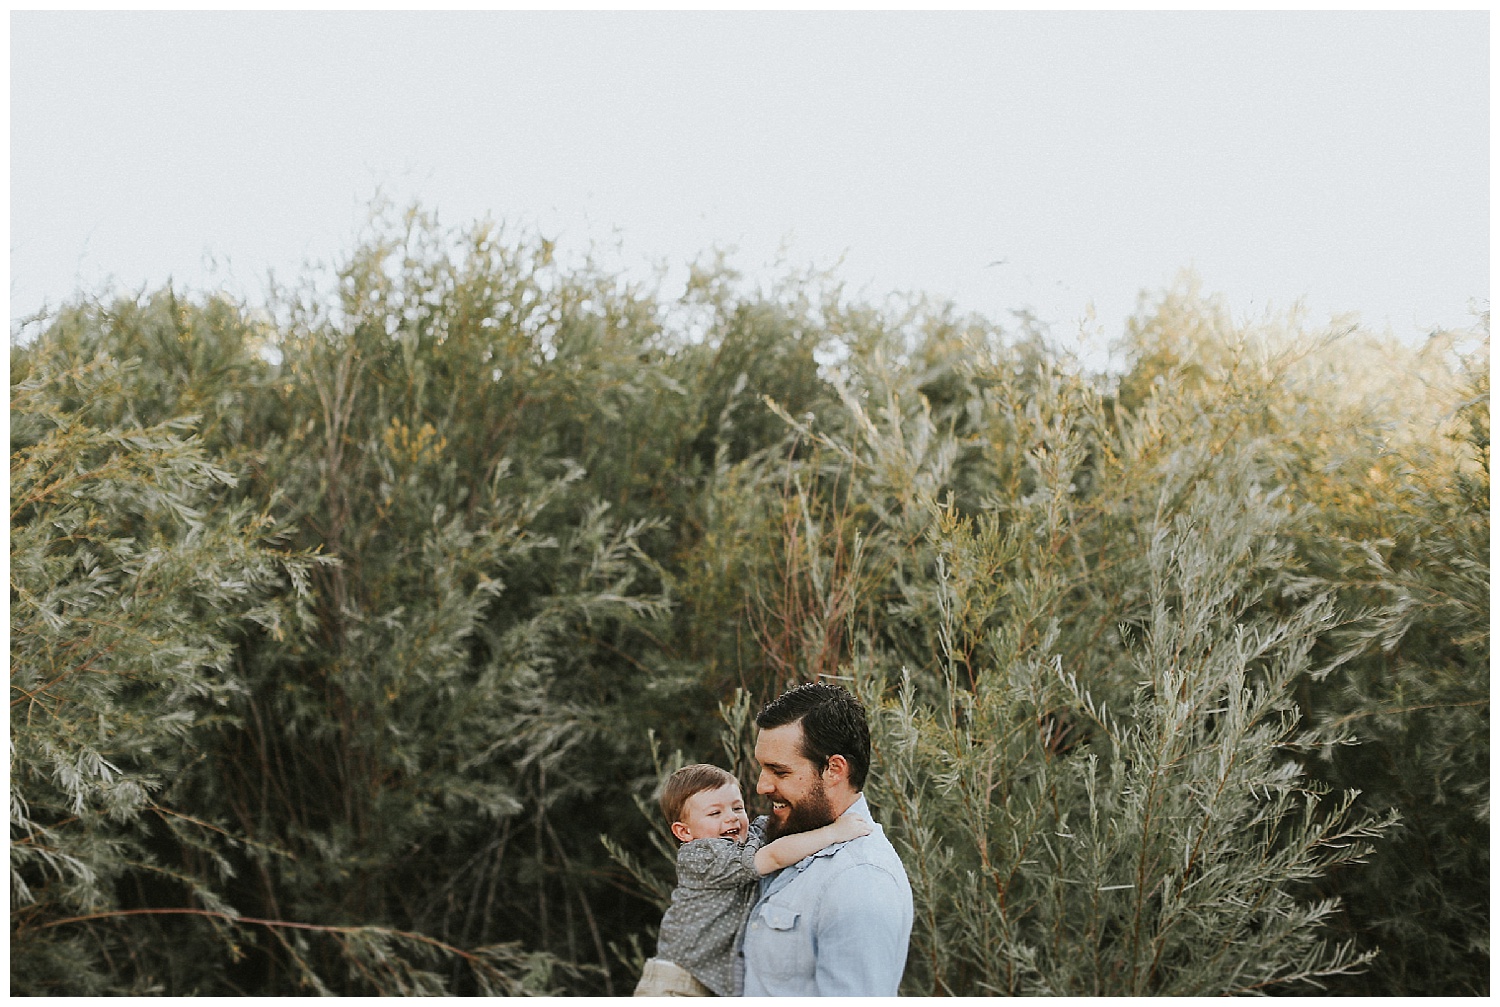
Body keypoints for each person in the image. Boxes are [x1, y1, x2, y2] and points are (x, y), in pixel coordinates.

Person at [633, 762, 870, 997]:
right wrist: (834, 832)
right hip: (676, 982)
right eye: (715, 813)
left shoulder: (751, 837)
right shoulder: (700, 855)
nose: (731, 819)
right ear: (684, 832)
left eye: (737, 808)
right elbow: (775, 856)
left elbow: (792, 830)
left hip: (707, 983)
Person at [738, 682, 914, 996]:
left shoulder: (860, 880)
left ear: (834, 769)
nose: (762, 786)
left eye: (779, 772)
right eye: (762, 768)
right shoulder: (786, 838)